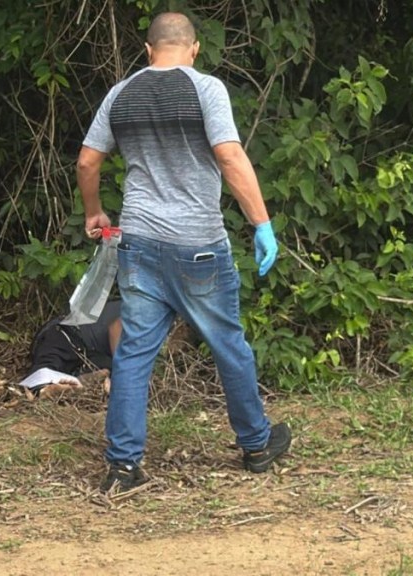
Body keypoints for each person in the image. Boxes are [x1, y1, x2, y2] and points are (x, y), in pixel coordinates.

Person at [77, 12, 291, 493]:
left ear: (149, 50)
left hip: (139, 242)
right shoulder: (206, 88)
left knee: (132, 352)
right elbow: (230, 156)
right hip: (198, 246)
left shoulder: (122, 93)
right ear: (193, 49)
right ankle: (256, 445)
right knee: (227, 343)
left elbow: (88, 159)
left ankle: (123, 467)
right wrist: (262, 224)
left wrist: (95, 211)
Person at [19, 300, 122, 400]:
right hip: (65, 334)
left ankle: (78, 382)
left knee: (107, 368)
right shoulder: (135, 306)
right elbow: (116, 328)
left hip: (90, 353)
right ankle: (45, 389)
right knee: (45, 369)